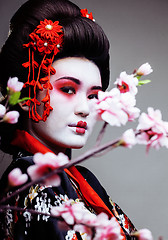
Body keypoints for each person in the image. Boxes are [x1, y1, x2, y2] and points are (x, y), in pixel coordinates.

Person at [0, 0, 136, 239]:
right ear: (30, 91)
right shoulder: (34, 180)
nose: (85, 108)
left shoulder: (80, 179)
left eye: (94, 95)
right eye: (68, 89)